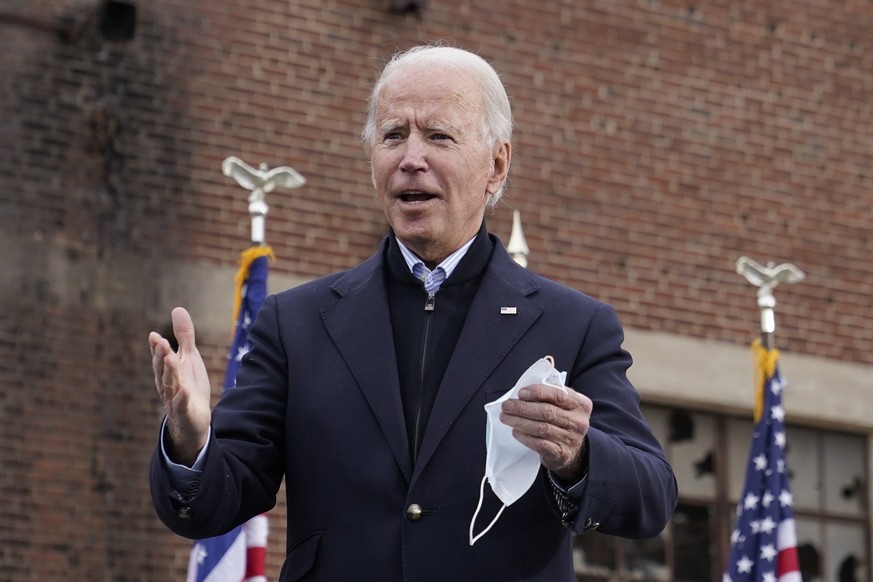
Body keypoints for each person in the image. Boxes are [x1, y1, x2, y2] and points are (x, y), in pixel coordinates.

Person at [149, 44, 678, 581]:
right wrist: (190, 439)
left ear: (497, 165)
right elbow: (215, 501)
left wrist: (577, 456)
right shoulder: (296, 324)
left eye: (439, 136)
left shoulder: (573, 325)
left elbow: (651, 498)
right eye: (393, 135)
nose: (410, 158)